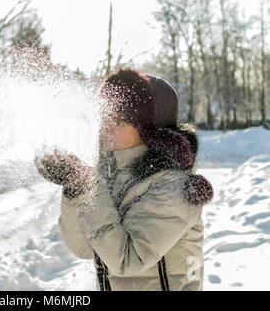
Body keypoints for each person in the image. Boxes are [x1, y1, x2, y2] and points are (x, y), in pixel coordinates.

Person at [34, 68, 214, 291]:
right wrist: (76, 188)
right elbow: (82, 247)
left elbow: (127, 260)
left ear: (150, 129)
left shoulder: (174, 186)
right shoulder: (111, 176)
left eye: (118, 119)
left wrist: (89, 185)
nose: (106, 125)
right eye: (105, 115)